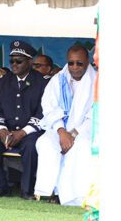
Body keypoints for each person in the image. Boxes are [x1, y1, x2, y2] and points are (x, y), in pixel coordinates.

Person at [0, 40, 50, 199]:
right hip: (6, 130)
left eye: (19, 61)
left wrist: (23, 132)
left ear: (30, 62)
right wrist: (1, 130)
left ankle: (27, 190)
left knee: (31, 146)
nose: (14, 65)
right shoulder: (3, 81)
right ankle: (0, 187)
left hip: (30, 131)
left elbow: (43, 112)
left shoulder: (42, 82)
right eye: (12, 61)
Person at [34, 45, 96, 206]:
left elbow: (95, 115)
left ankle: (72, 197)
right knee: (46, 143)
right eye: (71, 63)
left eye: (79, 63)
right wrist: (62, 132)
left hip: (83, 132)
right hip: (58, 128)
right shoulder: (58, 79)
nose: (74, 67)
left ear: (87, 61)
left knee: (81, 147)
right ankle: (47, 193)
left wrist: (72, 135)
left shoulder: (97, 82)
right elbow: (49, 107)